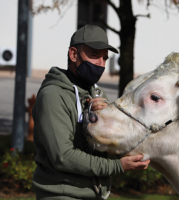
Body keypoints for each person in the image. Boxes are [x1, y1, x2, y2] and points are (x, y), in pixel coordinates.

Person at [32, 24, 150, 200]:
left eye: (104, 58)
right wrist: (117, 167)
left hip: (94, 194)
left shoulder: (97, 94)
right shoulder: (53, 96)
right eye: (94, 55)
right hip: (61, 194)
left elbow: (111, 146)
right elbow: (63, 156)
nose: (100, 64)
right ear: (73, 54)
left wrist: (110, 123)